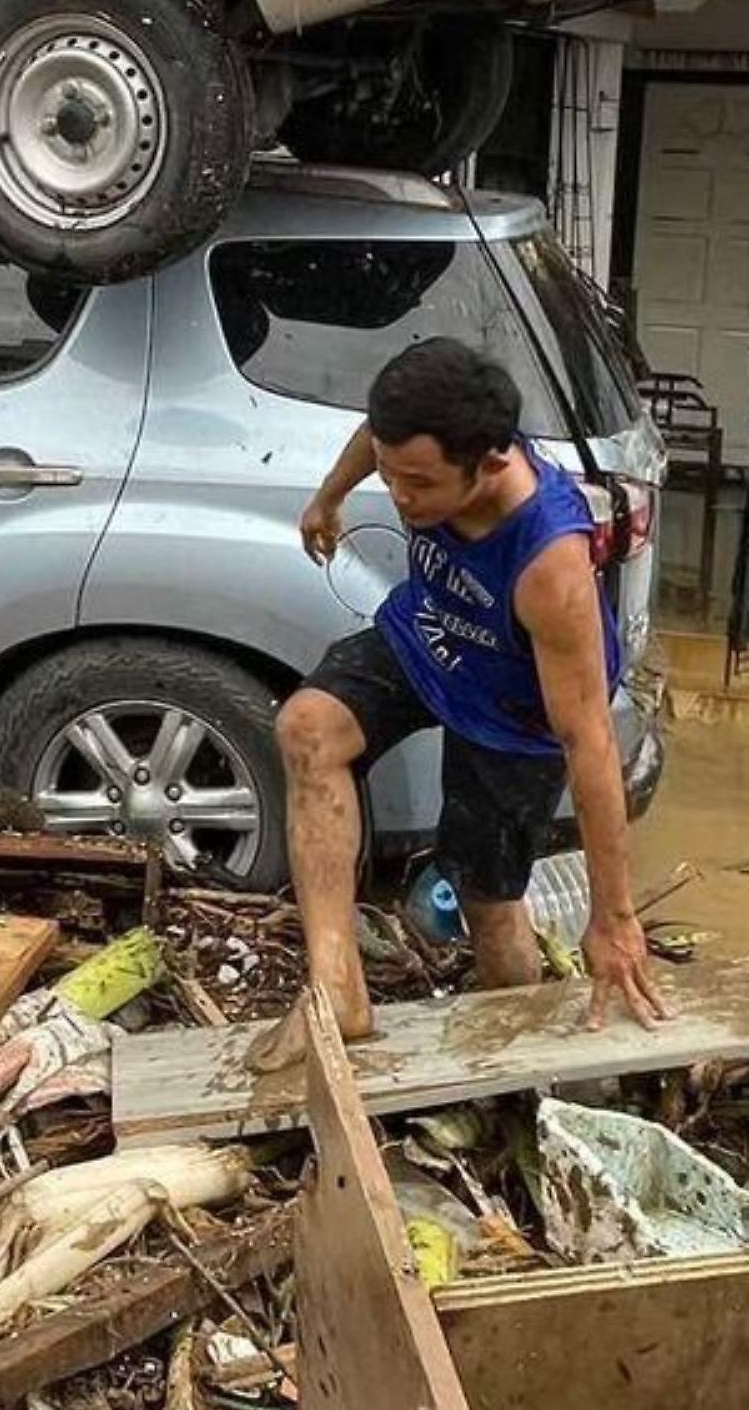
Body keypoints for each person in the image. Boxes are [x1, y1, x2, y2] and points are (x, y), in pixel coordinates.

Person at [251, 336, 666, 1071]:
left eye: (419, 484)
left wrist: (615, 915)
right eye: (392, 476)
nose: (403, 499)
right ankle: (336, 989)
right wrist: (330, 495)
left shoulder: (549, 567)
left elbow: (591, 742)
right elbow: (378, 437)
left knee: (486, 901)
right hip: (433, 639)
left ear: (492, 463)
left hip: (517, 715)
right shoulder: (422, 441)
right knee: (307, 727)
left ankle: (519, 1066)